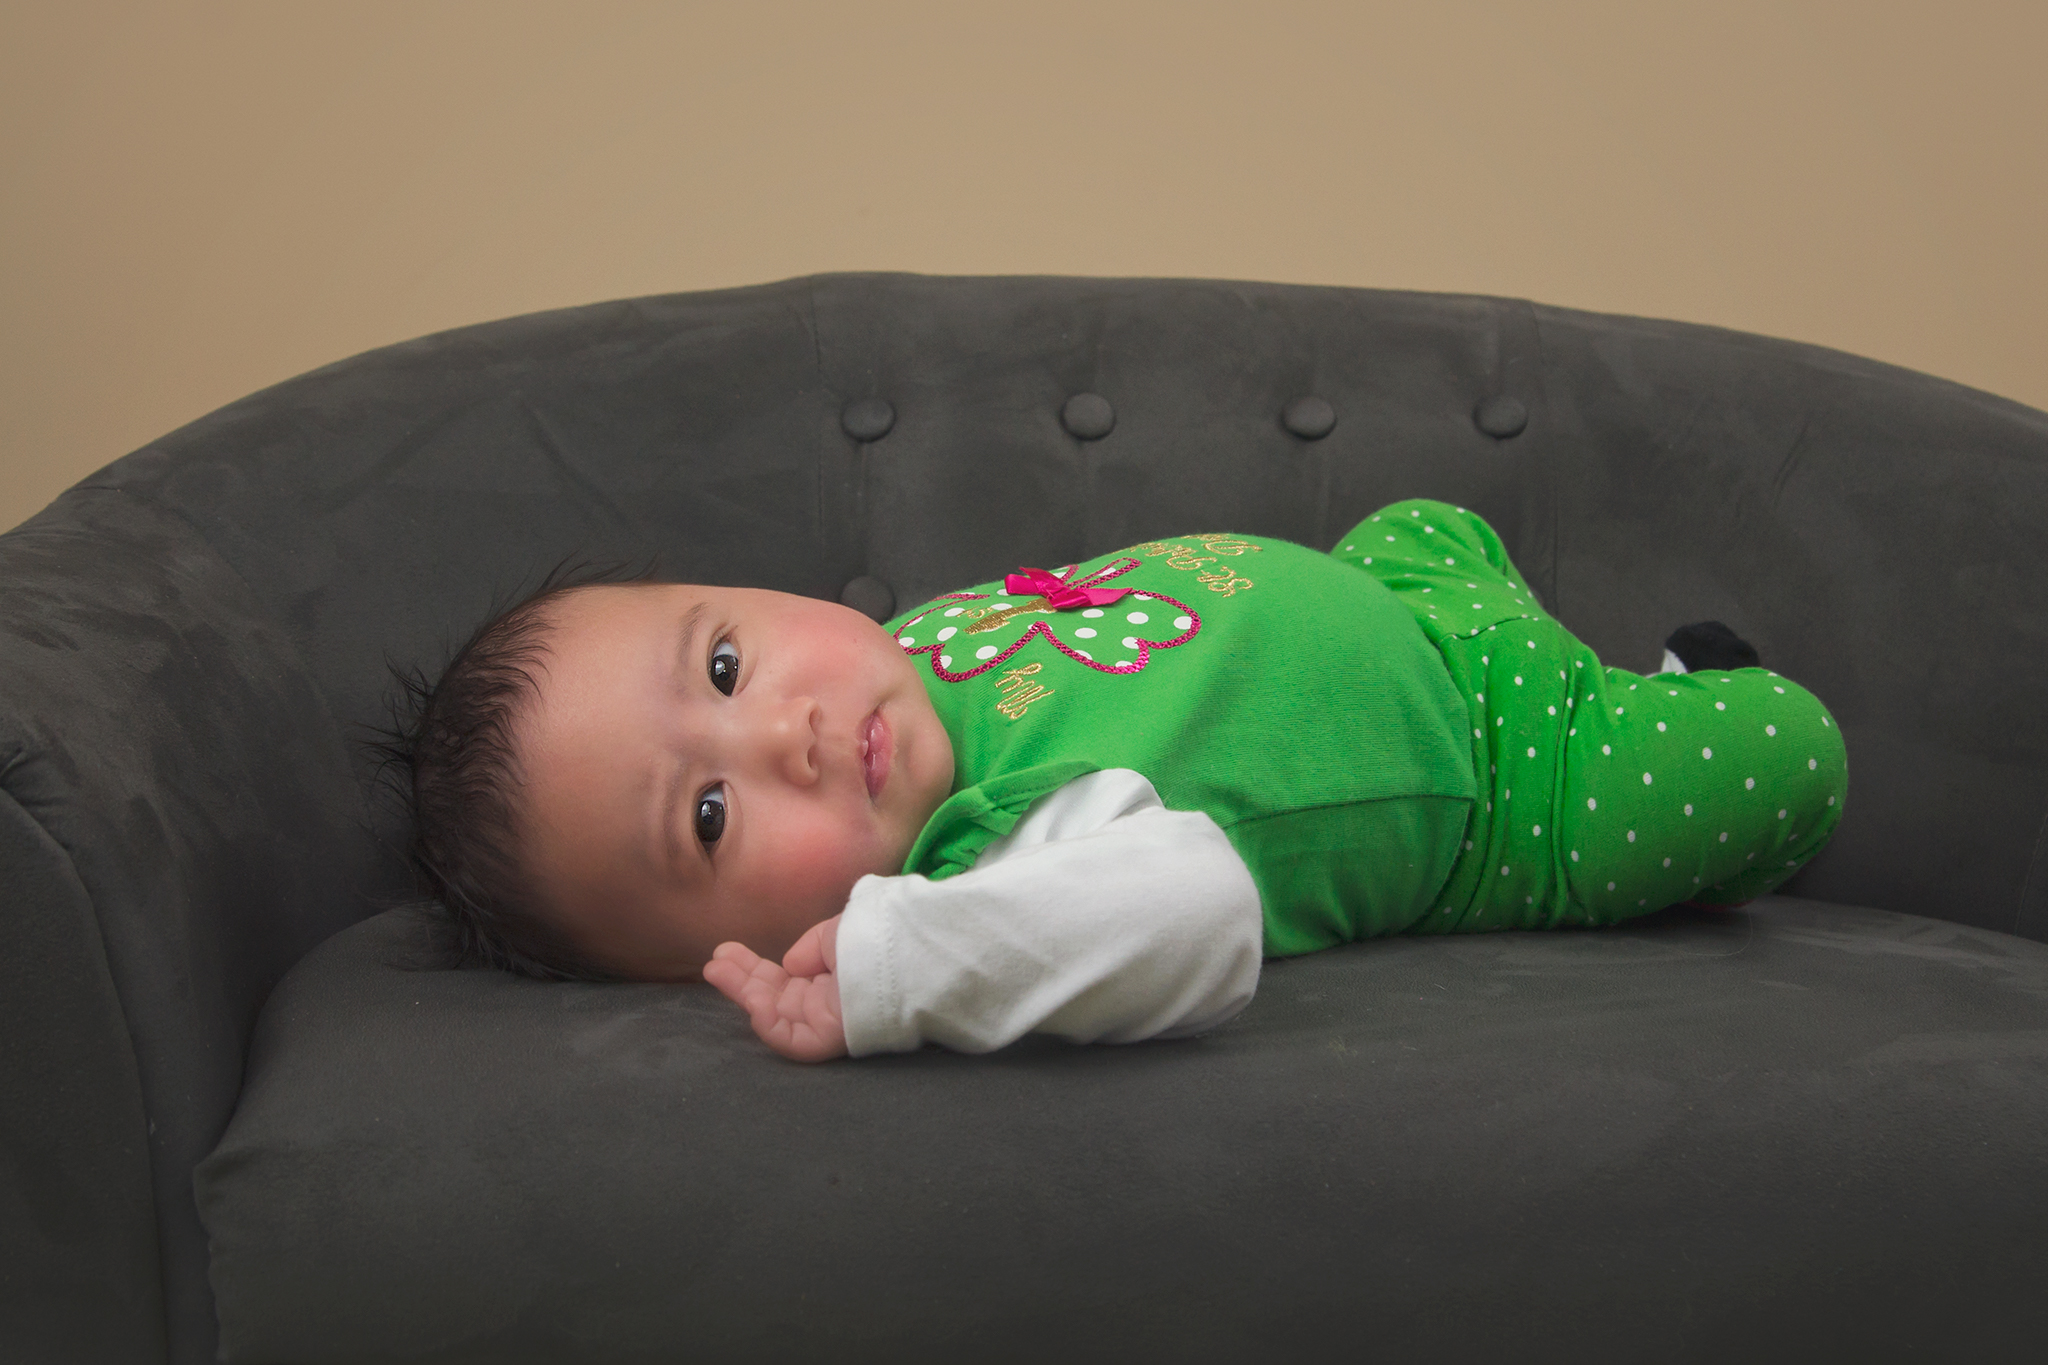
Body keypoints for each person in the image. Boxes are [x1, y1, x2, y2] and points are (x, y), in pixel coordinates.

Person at [391, 499, 1847, 1062]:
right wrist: (901, 968)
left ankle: (1600, 654)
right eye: (709, 818)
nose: (783, 732)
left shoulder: (898, 656)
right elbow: (1189, 910)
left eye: (723, 664)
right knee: (1786, 753)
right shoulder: (999, 858)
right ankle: (1665, 694)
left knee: (1427, 517)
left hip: (1412, 601)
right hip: (1509, 782)